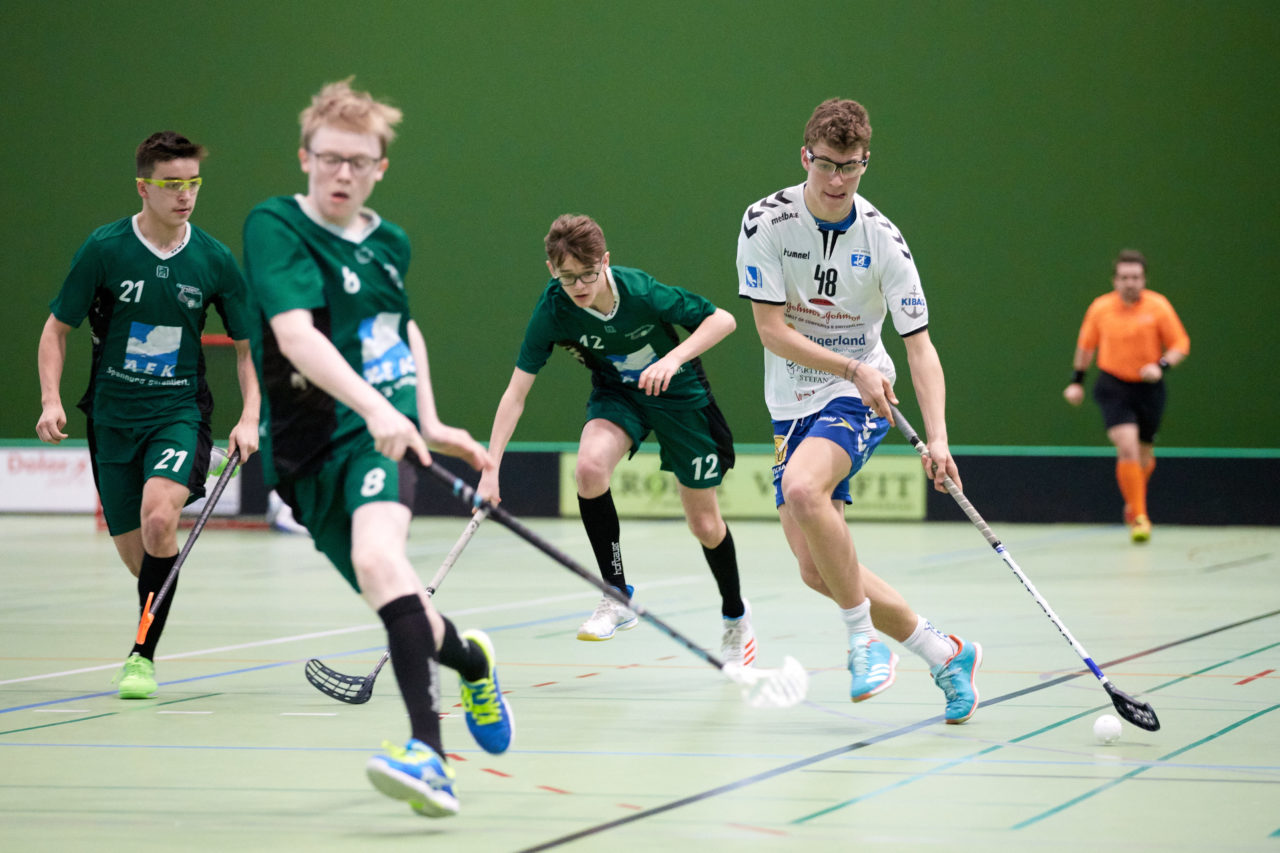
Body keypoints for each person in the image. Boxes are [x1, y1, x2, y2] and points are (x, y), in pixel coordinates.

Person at [241, 78, 512, 818]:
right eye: (330, 158)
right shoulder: (275, 227)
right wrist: (374, 407)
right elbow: (296, 336)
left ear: (380, 168)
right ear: (305, 156)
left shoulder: (391, 243)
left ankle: (429, 754)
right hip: (304, 458)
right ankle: (473, 660)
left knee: (380, 560)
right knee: (396, 600)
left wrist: (423, 418)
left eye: (360, 162)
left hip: (375, 442)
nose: (343, 174)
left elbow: (400, 330)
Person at [735, 98, 981, 723]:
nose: (838, 180)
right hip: (796, 397)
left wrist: (940, 437)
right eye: (826, 166)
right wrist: (848, 366)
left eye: (851, 167)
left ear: (866, 162)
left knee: (802, 489)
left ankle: (863, 642)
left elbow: (920, 348)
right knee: (817, 569)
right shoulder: (765, 222)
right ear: (805, 157)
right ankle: (945, 650)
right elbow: (769, 331)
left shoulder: (885, 240)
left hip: (863, 393)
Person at [35, 132, 260, 700]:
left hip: (178, 411)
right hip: (111, 418)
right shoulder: (105, 249)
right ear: (144, 187)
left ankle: (141, 658)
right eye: (172, 185)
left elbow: (246, 345)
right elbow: (57, 329)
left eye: (193, 184)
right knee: (145, 565)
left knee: (162, 521)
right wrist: (51, 399)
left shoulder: (212, 258)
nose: (185, 195)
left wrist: (250, 415)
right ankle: (153, 610)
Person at [478, 214, 755, 665]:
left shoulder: (641, 291)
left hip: (679, 397)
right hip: (619, 397)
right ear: (551, 270)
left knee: (704, 525)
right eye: (567, 277)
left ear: (605, 262)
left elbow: (722, 320)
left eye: (588, 274)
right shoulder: (554, 309)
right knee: (589, 469)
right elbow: (516, 392)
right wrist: (491, 468)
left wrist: (675, 359)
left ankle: (735, 616)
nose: (579, 286)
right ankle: (616, 594)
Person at [1063, 250, 1190, 542]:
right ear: (1115, 280)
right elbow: (1086, 346)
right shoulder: (1101, 308)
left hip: (1149, 388)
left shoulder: (1158, 307)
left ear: (1143, 279)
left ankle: (1133, 504)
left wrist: (1161, 366)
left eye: (1135, 277)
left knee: (1144, 456)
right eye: (1123, 278)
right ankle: (1141, 518)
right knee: (1128, 446)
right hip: (1113, 386)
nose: (1129, 283)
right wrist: (1077, 381)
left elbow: (1180, 343)